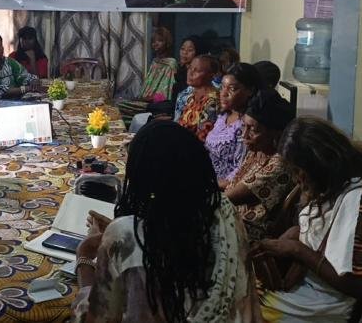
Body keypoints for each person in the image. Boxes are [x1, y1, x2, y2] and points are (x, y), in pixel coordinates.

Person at [71, 120, 256, 322]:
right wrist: (127, 232)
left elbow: (93, 318)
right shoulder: (225, 214)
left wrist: (84, 257)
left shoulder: (125, 235)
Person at [254, 116, 362, 322]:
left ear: (320, 165)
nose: (298, 179)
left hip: (325, 307)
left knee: (238, 308)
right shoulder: (335, 188)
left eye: (299, 172)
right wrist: (298, 234)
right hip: (309, 294)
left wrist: (297, 250)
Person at [225, 89, 296, 241]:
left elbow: (230, 197)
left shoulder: (279, 165)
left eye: (253, 129)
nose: (244, 135)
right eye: (244, 126)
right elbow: (234, 185)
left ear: (275, 133)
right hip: (232, 219)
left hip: (248, 233)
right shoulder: (257, 151)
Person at [206, 63, 262, 186]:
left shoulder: (246, 125)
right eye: (222, 87)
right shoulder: (224, 116)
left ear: (250, 91)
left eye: (232, 89)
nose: (223, 93)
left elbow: (240, 171)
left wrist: (209, 185)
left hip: (222, 186)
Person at [118, 26, 178, 127]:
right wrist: (138, 98)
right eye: (153, 41)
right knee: (116, 102)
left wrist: (142, 100)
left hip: (154, 105)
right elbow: (147, 86)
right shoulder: (155, 61)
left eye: (160, 41)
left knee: (118, 106)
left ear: (167, 43)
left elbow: (163, 95)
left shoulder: (171, 63)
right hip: (144, 100)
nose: (155, 43)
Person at [0, 30, 41, 112]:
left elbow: (25, 76)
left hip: (15, 106)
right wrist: (25, 88)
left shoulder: (9, 62)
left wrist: (33, 80)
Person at [174, 55, 220, 142]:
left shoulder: (213, 101)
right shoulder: (190, 96)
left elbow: (203, 136)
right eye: (190, 68)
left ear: (211, 75)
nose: (190, 73)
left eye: (197, 71)